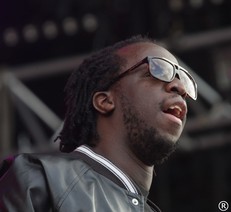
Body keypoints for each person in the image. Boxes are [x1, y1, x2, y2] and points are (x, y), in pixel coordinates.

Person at [0, 35, 197, 211]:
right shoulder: (42, 181)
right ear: (105, 101)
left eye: (184, 80)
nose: (179, 87)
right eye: (159, 69)